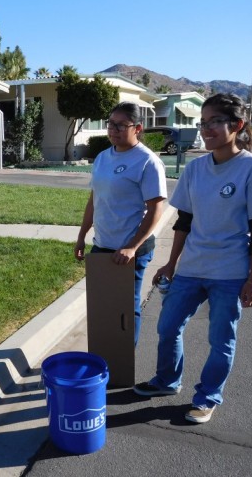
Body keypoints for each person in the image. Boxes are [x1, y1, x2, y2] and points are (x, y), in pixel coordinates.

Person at [133, 93, 252, 424]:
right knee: (168, 325)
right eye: (203, 122)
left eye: (214, 121)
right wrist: (170, 264)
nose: (206, 129)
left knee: (221, 340)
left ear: (237, 125)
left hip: (230, 274)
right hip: (191, 268)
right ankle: (166, 382)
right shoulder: (196, 167)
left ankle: (207, 397)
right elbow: (184, 222)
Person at [75, 101, 167, 346]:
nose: (113, 129)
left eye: (120, 125)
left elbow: (156, 208)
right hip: (103, 244)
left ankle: (124, 361)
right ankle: (107, 356)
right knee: (103, 305)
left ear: (137, 128)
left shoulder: (147, 161)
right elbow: (95, 199)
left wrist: (132, 247)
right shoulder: (103, 158)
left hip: (131, 250)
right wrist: (82, 234)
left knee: (126, 307)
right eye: (110, 124)